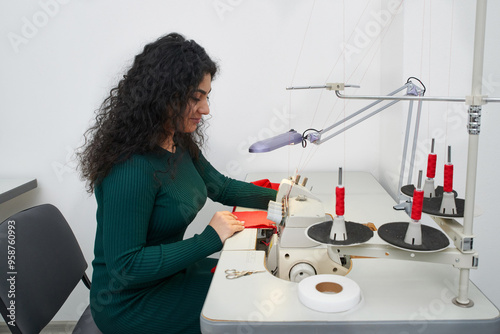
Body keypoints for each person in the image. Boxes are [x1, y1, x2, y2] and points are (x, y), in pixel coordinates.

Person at [77, 32, 277, 334]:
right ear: (163, 95)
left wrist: (283, 197)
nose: (206, 108)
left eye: (207, 96)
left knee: (256, 280)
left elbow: (220, 186)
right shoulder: (130, 169)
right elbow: (127, 265)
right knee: (250, 302)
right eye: (196, 97)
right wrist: (211, 238)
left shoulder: (176, 142)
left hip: (167, 276)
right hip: (129, 303)